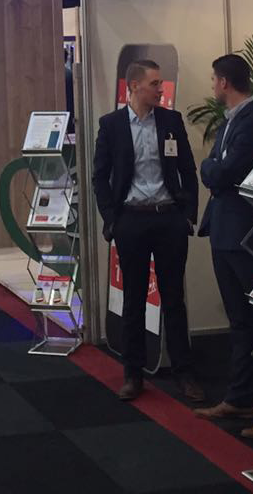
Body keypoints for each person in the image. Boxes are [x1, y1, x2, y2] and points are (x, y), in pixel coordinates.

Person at [91, 58, 204, 403]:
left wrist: (187, 216)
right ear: (134, 86)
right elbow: (100, 176)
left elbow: (187, 169)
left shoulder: (171, 121)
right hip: (131, 221)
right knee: (134, 299)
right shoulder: (111, 125)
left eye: (161, 83)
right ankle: (133, 373)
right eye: (154, 83)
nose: (160, 89)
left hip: (169, 219)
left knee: (174, 299)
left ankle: (184, 373)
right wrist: (111, 220)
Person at [192, 54, 253, 431]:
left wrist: (212, 168)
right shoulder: (233, 121)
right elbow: (214, 167)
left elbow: (221, 171)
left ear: (225, 82)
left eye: (214, 79)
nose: (212, 85)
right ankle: (240, 399)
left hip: (246, 234)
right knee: (239, 320)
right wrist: (213, 168)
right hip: (226, 232)